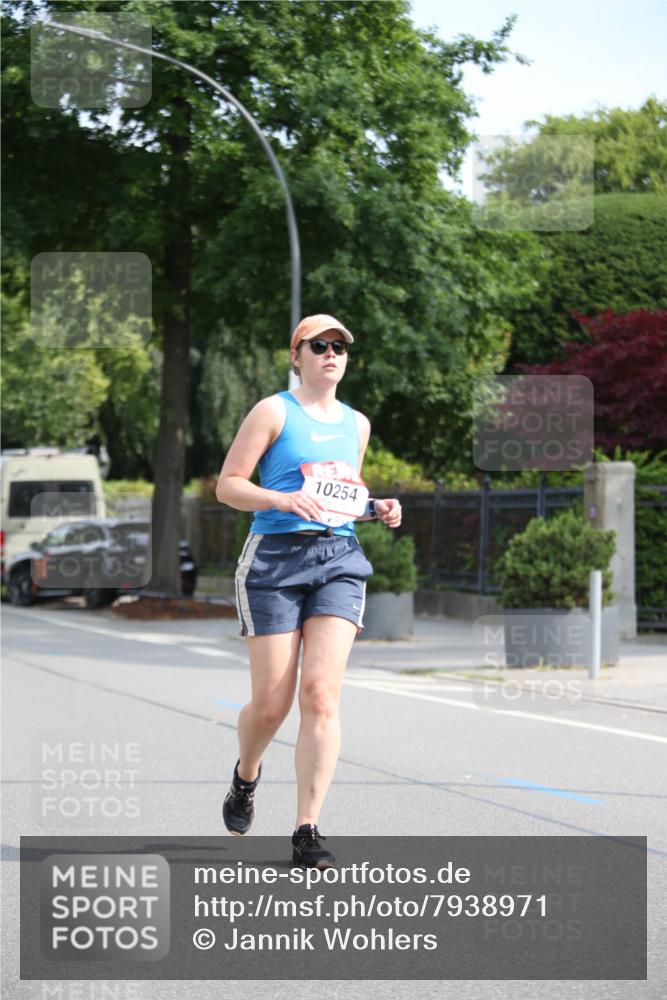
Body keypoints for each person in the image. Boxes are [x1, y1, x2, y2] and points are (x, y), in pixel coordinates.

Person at [215, 314, 402, 869]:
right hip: (274, 561)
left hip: (339, 559)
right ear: (296, 355)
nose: (330, 353)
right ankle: (246, 776)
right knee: (271, 706)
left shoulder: (357, 424)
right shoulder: (274, 411)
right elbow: (229, 486)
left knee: (321, 695)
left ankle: (307, 828)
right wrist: (280, 500)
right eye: (318, 345)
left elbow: (339, 498)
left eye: (340, 346)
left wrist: (377, 508)